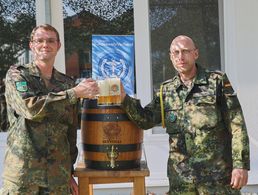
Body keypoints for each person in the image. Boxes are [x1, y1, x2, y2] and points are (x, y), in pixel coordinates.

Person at [120, 35, 250, 194]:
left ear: (195, 54)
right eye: (175, 52)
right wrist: (123, 99)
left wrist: (240, 165)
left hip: (217, 179)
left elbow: (237, 125)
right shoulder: (166, 90)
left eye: (185, 51)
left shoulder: (217, 82)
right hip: (182, 181)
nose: (180, 57)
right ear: (170, 57)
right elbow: (146, 120)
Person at [0, 24, 99, 195]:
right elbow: (30, 108)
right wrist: (74, 93)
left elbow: (70, 131)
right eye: (40, 40)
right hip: (24, 176)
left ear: (58, 45)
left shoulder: (66, 83)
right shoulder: (17, 75)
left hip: (57, 177)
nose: (45, 44)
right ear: (31, 45)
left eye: (51, 40)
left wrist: (69, 172)